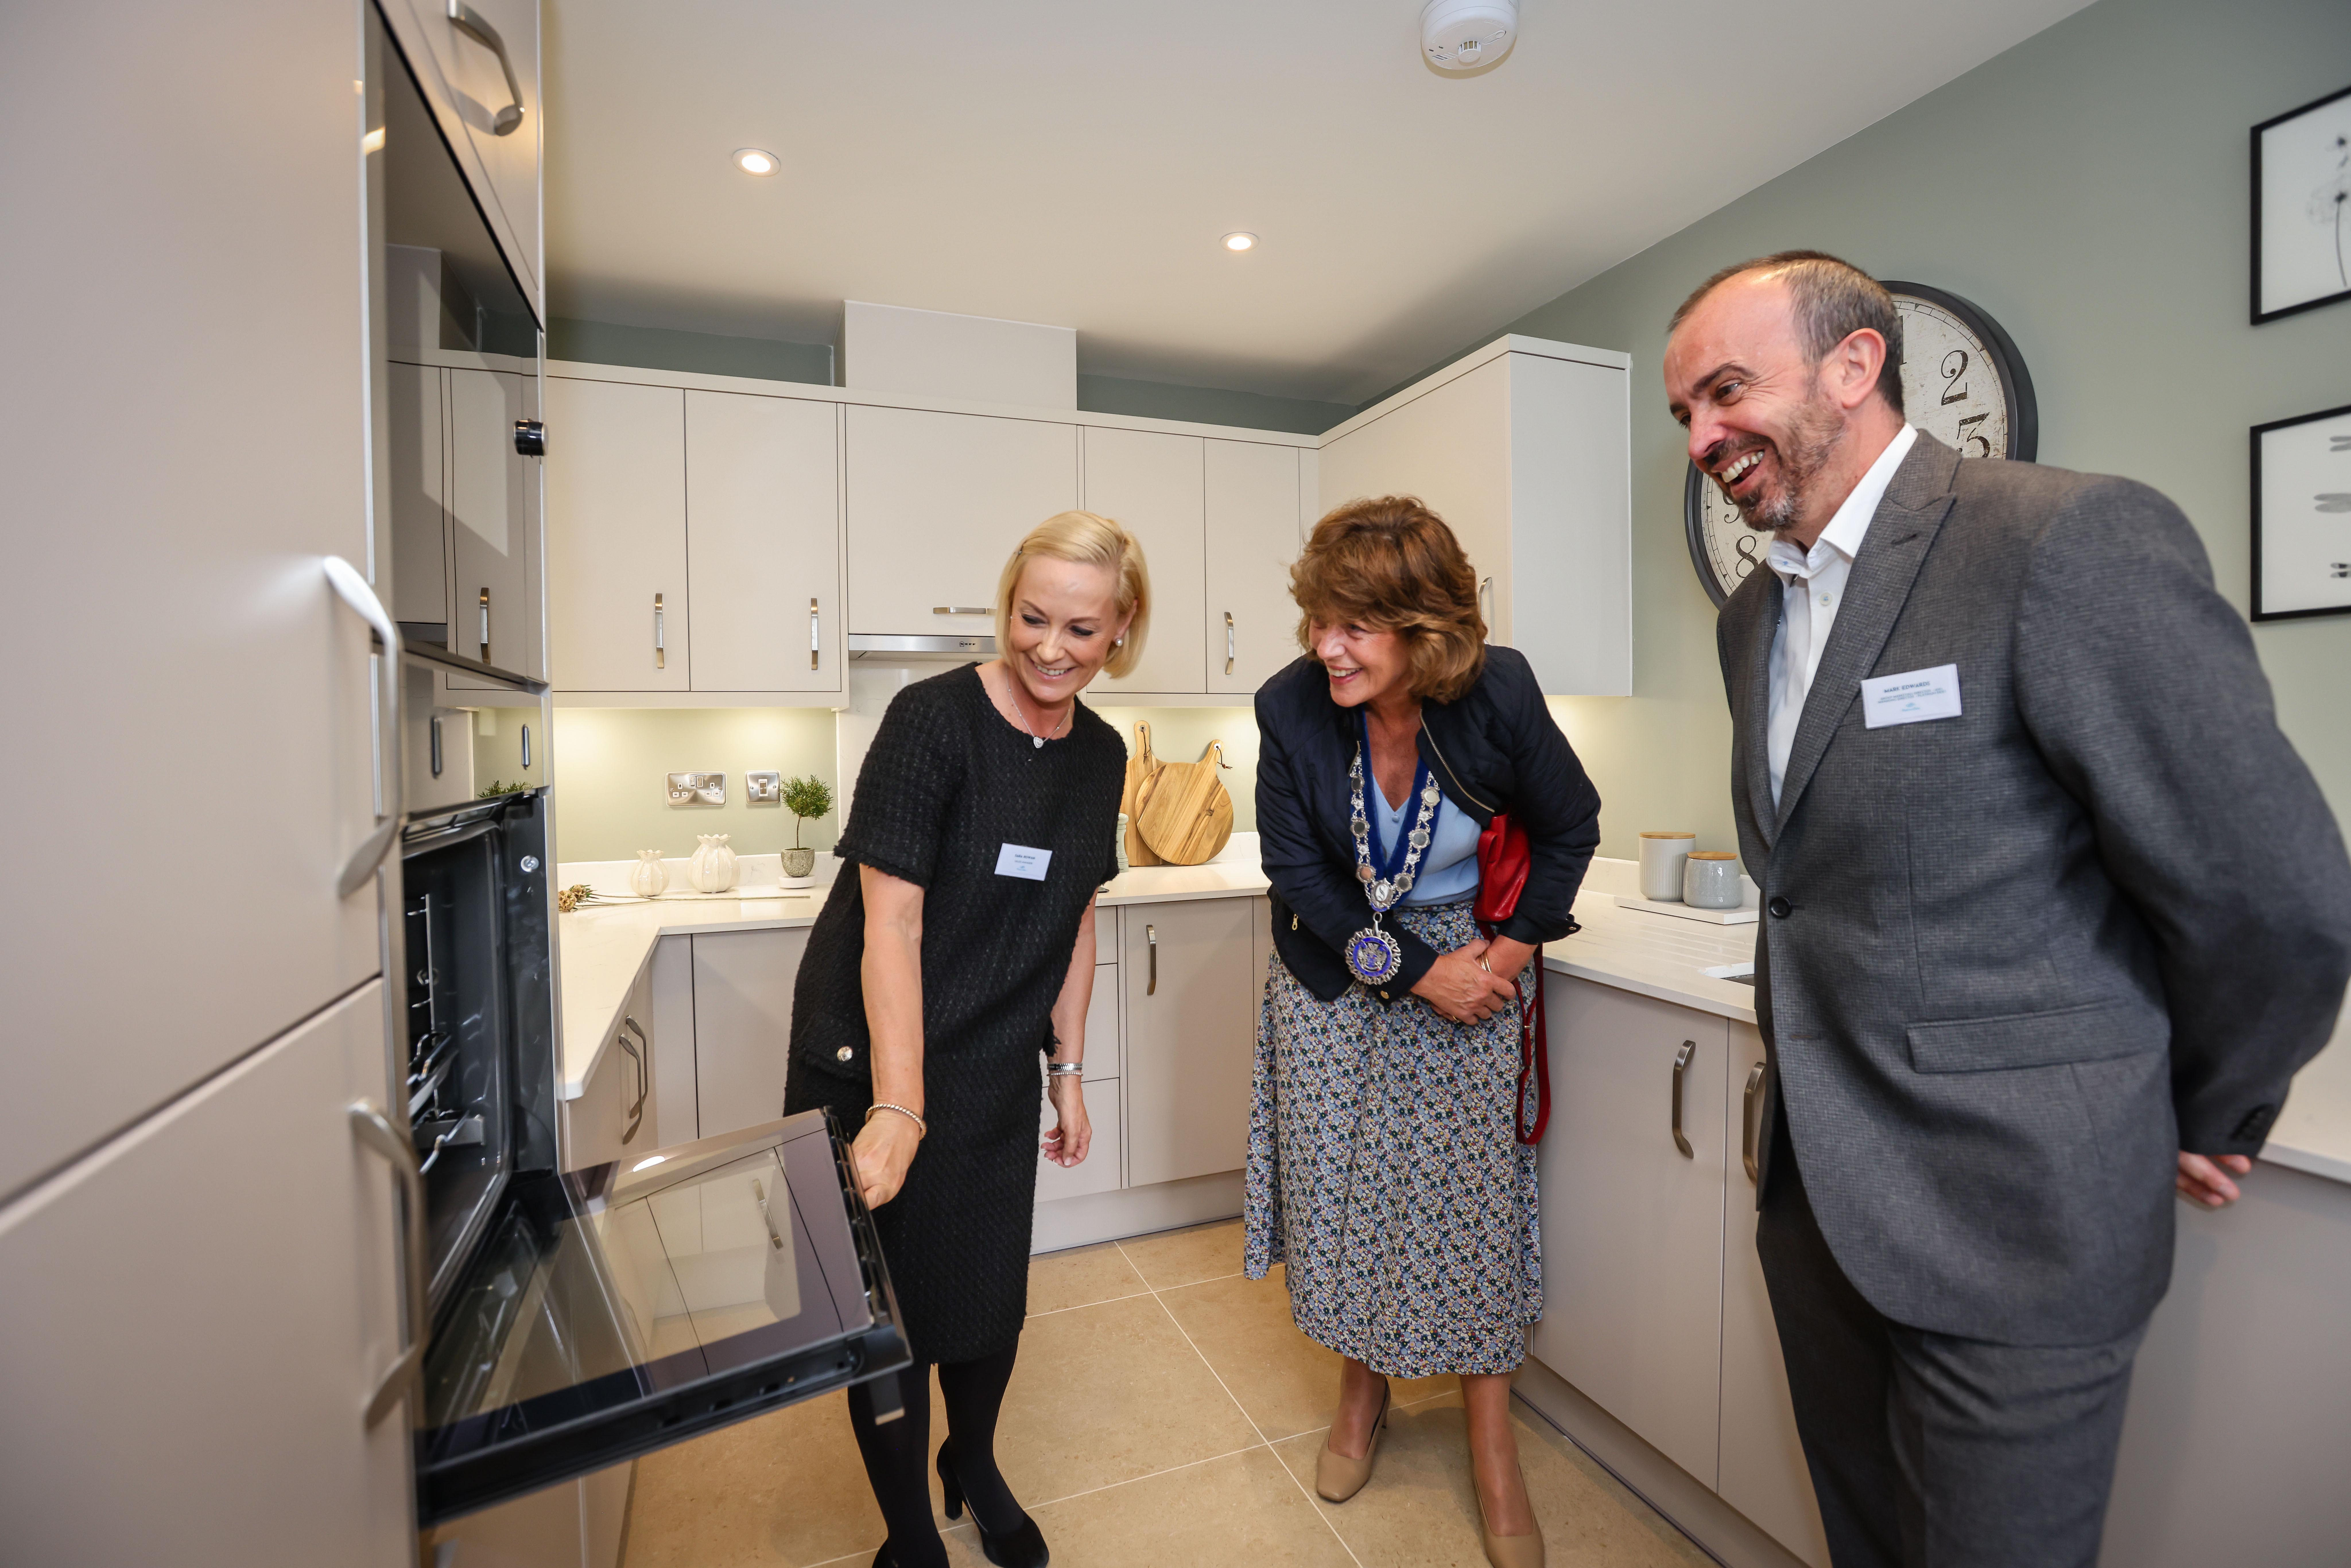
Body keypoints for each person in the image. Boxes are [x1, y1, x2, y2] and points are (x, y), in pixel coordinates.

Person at [1662, 251, 2351, 1568]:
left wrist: (2206, 1105)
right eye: (1683, 412)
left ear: (1852, 367)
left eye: (1726, 390)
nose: (1701, 436)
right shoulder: (1752, 613)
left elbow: (2274, 892)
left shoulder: (2055, 540)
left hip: (2016, 1221)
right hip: (1818, 1207)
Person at [782, 511, 1145, 1568]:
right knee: (882, 1310)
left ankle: (972, 1464)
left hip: (990, 1058)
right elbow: (889, 922)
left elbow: (1074, 913)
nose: (1050, 647)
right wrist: (900, 1105)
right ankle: (907, 1534)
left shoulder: (1103, 754)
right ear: (1007, 607)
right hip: (869, 1058)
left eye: (1081, 629)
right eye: (1032, 618)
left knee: (986, 1296)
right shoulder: (932, 721)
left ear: (1119, 633)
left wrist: (1067, 1071)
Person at [1246, 496, 1602, 1568]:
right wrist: (1410, 973)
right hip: (1342, 957)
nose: (1325, 646)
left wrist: (1497, 963)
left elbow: (1571, 826)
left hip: (1479, 963)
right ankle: (1364, 1393)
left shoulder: (1497, 692)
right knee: (1346, 1189)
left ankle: (1492, 1439)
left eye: (1354, 625)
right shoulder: (1291, 708)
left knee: (1466, 1198)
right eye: (1318, 619)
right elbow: (1299, 873)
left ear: (1425, 629)